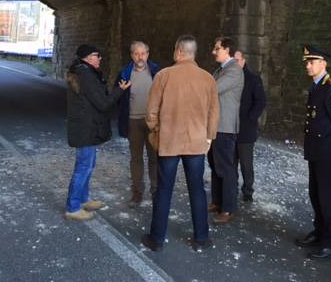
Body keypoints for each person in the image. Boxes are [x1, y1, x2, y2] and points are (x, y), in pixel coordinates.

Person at [141, 35, 219, 251]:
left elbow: (151, 111)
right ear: (193, 53)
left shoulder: (163, 76)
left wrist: (155, 130)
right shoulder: (208, 79)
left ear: (178, 51)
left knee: (164, 190)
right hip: (196, 143)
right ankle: (201, 238)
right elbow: (214, 113)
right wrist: (209, 136)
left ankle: (156, 239)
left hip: (168, 141)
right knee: (197, 190)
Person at [294, 45, 331, 260]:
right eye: (307, 62)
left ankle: (330, 242)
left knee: (328, 196)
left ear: (323, 64)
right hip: (316, 148)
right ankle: (319, 232)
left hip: (327, 149)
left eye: (312, 62)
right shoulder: (317, 87)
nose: (308, 65)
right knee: (315, 193)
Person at [64, 44, 130, 221]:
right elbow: (103, 103)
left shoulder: (84, 72)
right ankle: (72, 207)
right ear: (86, 58)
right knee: (83, 167)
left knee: (88, 165)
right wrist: (120, 90)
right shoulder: (85, 75)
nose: (100, 58)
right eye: (96, 55)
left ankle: (83, 200)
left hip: (89, 127)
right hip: (86, 129)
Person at [116, 41, 161, 208]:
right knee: (136, 159)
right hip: (133, 121)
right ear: (132, 55)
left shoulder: (158, 72)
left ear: (148, 54)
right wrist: (121, 91)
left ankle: (156, 191)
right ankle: (137, 193)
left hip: (152, 122)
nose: (140, 56)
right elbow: (117, 97)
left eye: (143, 53)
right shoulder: (125, 73)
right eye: (136, 53)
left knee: (154, 159)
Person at [208, 36, 244, 224]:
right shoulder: (219, 70)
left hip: (225, 127)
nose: (214, 52)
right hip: (216, 125)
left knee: (226, 168)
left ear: (227, 50)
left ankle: (228, 208)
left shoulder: (234, 71)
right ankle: (217, 201)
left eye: (217, 48)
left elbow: (212, 89)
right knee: (215, 165)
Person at [233, 49, 266, 202]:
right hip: (230, 127)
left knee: (246, 163)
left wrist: (251, 118)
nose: (235, 63)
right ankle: (230, 188)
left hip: (246, 128)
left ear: (244, 60)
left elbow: (260, 101)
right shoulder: (228, 77)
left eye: (237, 60)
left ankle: (247, 190)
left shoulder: (253, 79)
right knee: (230, 162)